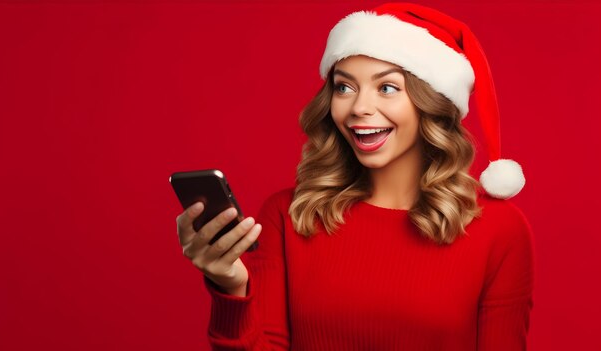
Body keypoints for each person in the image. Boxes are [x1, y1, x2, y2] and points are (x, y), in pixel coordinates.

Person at [176, 3, 534, 350]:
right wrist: (232, 286)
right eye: (344, 87)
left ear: (432, 103)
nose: (359, 107)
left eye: (387, 88)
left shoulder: (499, 230)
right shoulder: (289, 215)